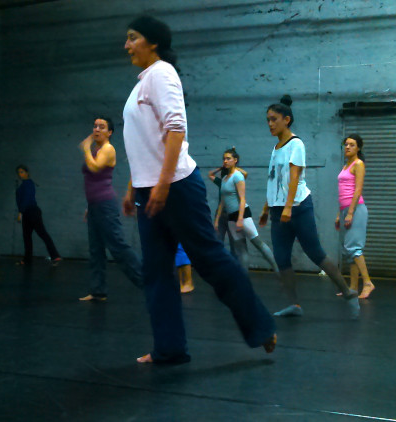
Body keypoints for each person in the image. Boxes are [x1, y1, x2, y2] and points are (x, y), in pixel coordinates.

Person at [122, 15, 276, 363]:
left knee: (209, 260)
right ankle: (170, 348)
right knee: (157, 273)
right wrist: (134, 187)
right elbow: (144, 143)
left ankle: (261, 326)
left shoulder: (162, 73)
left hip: (175, 187)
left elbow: (176, 129)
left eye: (133, 37)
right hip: (151, 190)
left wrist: (163, 184)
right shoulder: (142, 82)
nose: (126, 45)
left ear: (153, 42)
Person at [258, 95, 359, 318]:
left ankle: (347, 292)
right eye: (268, 120)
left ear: (287, 120)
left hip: (298, 207)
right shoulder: (276, 148)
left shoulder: (296, 144)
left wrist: (288, 207)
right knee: (281, 258)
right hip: (278, 210)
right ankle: (294, 304)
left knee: (315, 252)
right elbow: (275, 180)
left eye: (274, 119)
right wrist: (267, 207)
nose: (270, 124)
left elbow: (294, 177)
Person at [79, 116, 143, 301]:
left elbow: (95, 168)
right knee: (96, 249)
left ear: (110, 132)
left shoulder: (108, 149)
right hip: (95, 206)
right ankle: (98, 290)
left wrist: (85, 149)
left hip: (105, 205)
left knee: (118, 246)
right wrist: (90, 207)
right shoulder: (97, 150)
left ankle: (147, 282)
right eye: (95, 126)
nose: (97, 129)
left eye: (102, 127)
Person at [214, 148, 278, 273]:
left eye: (228, 158)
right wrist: (217, 221)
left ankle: (279, 272)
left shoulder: (238, 176)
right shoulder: (225, 178)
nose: (225, 161)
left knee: (258, 243)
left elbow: (242, 199)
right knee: (241, 250)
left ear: (235, 160)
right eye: (224, 159)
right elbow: (223, 202)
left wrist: (240, 219)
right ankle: (245, 278)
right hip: (231, 217)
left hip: (242, 215)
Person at [336, 135, 374, 299]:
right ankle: (352, 288)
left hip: (356, 209)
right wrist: (340, 214)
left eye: (352, 145)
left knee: (354, 248)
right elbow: (343, 192)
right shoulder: (345, 165)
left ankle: (367, 283)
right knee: (349, 250)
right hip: (346, 209)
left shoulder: (358, 164)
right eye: (346, 144)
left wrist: (351, 212)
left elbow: (357, 190)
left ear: (358, 148)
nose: (347, 147)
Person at [15, 165, 61, 266]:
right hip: (27, 213)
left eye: (22, 172)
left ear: (27, 173)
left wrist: (20, 212)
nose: (20, 174)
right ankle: (27, 259)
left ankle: (55, 256)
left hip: (32, 212)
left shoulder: (28, 183)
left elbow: (26, 199)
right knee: (27, 237)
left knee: (41, 233)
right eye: (19, 172)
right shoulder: (24, 184)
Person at [208, 165, 243, 256]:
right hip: (225, 213)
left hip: (229, 213)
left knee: (230, 242)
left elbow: (210, 174)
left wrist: (231, 167)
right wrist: (223, 167)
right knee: (224, 240)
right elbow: (210, 174)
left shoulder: (231, 182)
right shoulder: (224, 182)